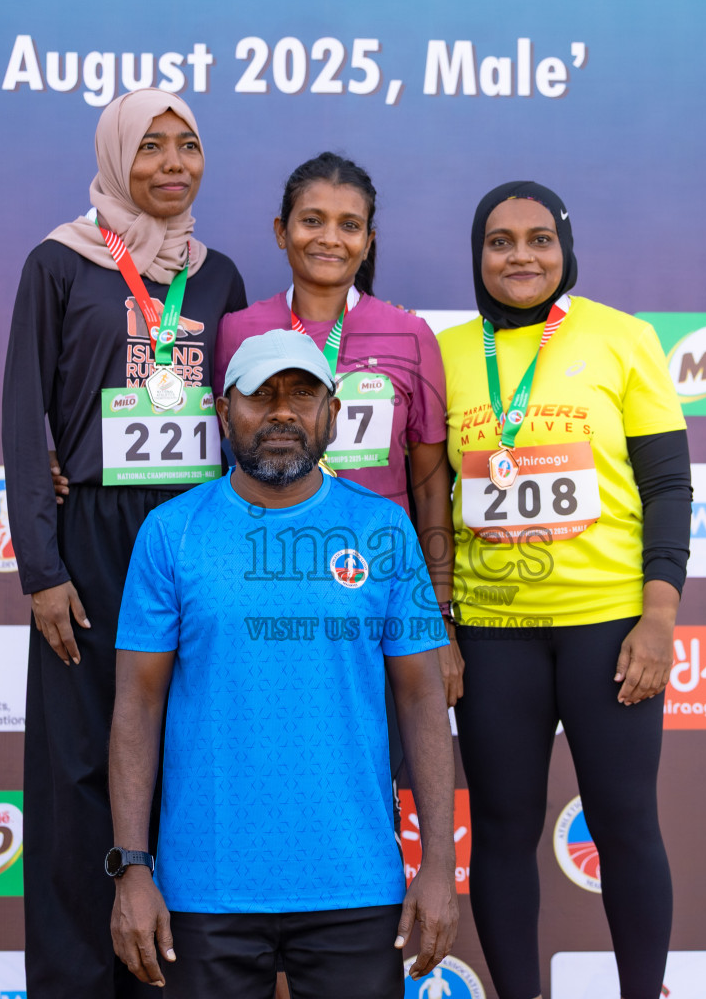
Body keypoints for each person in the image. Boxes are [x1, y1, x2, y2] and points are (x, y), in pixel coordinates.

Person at [108, 329, 459, 998]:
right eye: (259, 395)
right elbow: (137, 705)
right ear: (221, 410)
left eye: (301, 394)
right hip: (205, 888)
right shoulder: (171, 532)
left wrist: (438, 865)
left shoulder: (383, 530)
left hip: (353, 882)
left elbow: (421, 698)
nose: (281, 412)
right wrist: (132, 868)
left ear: (331, 413)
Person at [0, 88, 246, 998]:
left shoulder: (219, 276)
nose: (173, 164)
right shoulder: (59, 263)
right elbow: (26, 420)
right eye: (151, 147)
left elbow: (245, 410)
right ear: (114, 159)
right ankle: (74, 979)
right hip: (92, 534)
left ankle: (171, 974)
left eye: (187, 145)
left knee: (185, 759)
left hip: (194, 540)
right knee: (78, 770)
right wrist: (41, 565)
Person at [436, 181, 692, 999]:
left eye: (539, 239)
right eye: (500, 241)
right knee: (504, 830)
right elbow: (422, 493)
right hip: (490, 630)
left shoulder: (621, 338)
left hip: (607, 628)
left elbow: (667, 486)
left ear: (566, 248)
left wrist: (658, 619)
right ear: (477, 255)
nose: (520, 256)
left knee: (624, 825)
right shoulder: (443, 353)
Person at [213, 151, 464, 709]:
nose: (329, 238)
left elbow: (429, 488)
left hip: (375, 587)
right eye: (312, 220)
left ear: (368, 241)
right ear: (282, 232)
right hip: (262, 579)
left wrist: (438, 615)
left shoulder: (409, 333)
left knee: (375, 763)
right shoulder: (236, 330)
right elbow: (216, 459)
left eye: (349, 225)